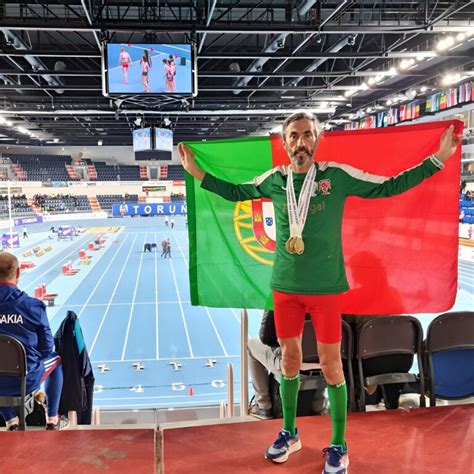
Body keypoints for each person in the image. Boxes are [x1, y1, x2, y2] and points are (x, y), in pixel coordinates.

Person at [179, 112, 460, 473]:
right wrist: (197, 173)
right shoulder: (274, 180)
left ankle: (339, 444)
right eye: (293, 136)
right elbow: (235, 193)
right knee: (290, 363)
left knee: (330, 366)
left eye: (307, 135)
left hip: (326, 290)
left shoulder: (336, 177)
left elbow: (389, 186)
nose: (300, 142)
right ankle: (289, 432)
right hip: (285, 289)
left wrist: (438, 159)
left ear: (317, 139)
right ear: (284, 142)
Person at [0, 252, 69, 430]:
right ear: (18, 273)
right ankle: (53, 418)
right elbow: (47, 348)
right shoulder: (32, 306)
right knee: (57, 361)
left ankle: (11, 420)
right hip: (26, 378)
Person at [249, 310, 326, 420]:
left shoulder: (281, 294)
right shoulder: (332, 294)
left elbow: (266, 337)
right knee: (318, 354)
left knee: (251, 345)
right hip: (325, 361)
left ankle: (263, 406)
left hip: (291, 362)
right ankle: (318, 407)